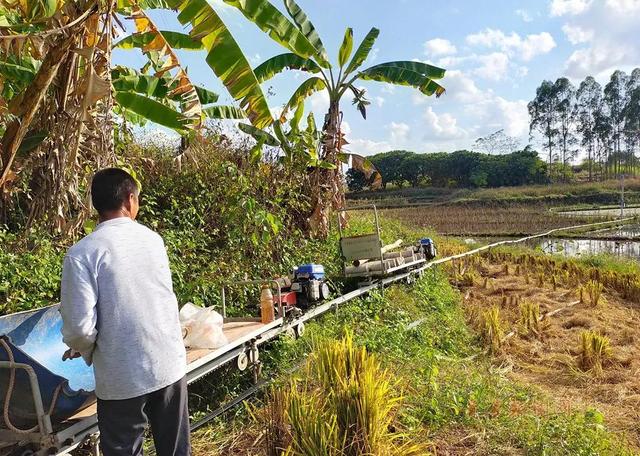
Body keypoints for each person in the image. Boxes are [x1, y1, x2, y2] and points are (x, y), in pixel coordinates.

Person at [59, 168, 190, 456]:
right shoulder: (153, 240)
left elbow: (79, 329)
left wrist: (84, 349)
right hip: (168, 363)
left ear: (97, 205)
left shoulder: (82, 253)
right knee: (175, 449)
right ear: (130, 200)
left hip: (122, 374)